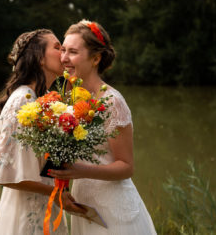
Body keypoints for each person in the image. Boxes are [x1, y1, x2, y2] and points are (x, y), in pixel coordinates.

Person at [49, 20, 157, 234]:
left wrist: (81, 171)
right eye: (63, 50)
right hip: (84, 208)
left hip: (114, 212)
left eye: (73, 52)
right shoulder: (66, 99)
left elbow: (126, 166)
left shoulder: (112, 101)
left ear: (96, 58)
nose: (64, 58)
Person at [0, 29, 85, 235]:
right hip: (27, 217)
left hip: (44, 209)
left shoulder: (38, 100)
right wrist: (56, 194)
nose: (63, 54)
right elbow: (4, 174)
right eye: (57, 47)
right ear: (39, 57)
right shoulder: (22, 100)